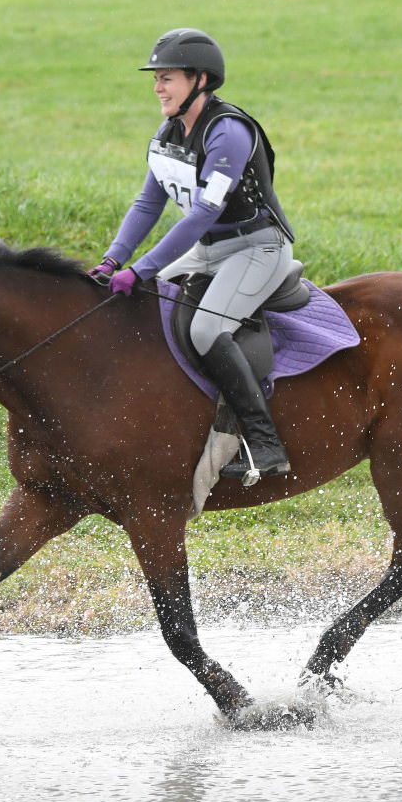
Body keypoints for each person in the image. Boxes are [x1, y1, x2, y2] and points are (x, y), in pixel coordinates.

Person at [90, 28, 296, 483]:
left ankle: (265, 444)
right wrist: (111, 261)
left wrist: (142, 268)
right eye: (156, 78)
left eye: (167, 78)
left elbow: (204, 211)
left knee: (206, 327)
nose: (157, 87)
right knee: (134, 305)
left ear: (200, 80)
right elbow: (148, 204)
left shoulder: (229, 133)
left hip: (257, 247)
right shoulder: (168, 133)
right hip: (208, 250)